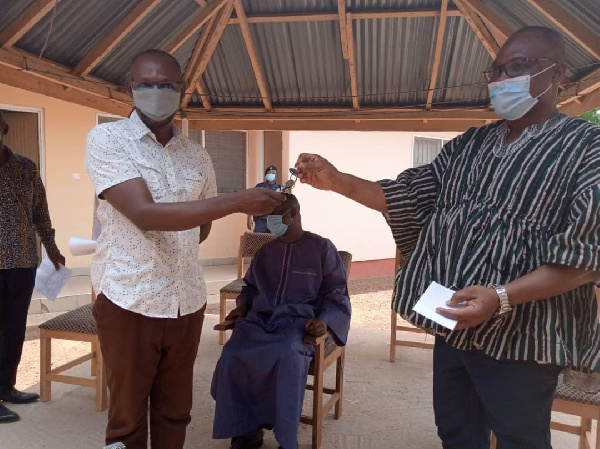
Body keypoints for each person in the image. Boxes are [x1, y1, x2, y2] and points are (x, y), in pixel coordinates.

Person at [295, 27, 600, 448]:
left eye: (519, 67)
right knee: (456, 432)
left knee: (519, 438)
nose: (503, 78)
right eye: (496, 71)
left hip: (524, 334)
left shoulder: (587, 148)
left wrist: (501, 297)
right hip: (453, 318)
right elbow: (407, 196)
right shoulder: (471, 144)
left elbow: (585, 259)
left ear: (558, 73)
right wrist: (338, 180)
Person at [85, 49, 285, 449]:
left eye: (166, 85)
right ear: (131, 88)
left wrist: (202, 215)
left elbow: (200, 229)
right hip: (129, 298)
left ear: (181, 91)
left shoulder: (196, 154)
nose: (156, 92)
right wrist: (236, 201)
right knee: (126, 416)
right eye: (146, 84)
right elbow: (143, 213)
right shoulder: (107, 139)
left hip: (186, 300)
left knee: (175, 410)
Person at [212, 194, 351, 449]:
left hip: (298, 326)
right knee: (232, 354)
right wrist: (241, 308)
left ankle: (285, 438)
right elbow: (250, 288)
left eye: (276, 217)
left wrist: (324, 321)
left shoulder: (322, 248)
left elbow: (336, 292)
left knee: (287, 356)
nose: (271, 223)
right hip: (260, 321)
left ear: (293, 214)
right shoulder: (266, 251)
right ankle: (246, 430)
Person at [0, 111, 65, 423]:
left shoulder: (25, 167)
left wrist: (52, 249)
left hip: (22, 262)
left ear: (4, 128)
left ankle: (6, 386)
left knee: (13, 330)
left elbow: (40, 210)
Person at [247, 165, 282, 233]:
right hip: (261, 219)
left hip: (274, 220)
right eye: (269, 173)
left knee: (273, 241)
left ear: (276, 175)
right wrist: (248, 218)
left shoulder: (280, 188)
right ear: (266, 175)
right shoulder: (259, 187)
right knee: (258, 240)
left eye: (273, 173)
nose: (271, 174)